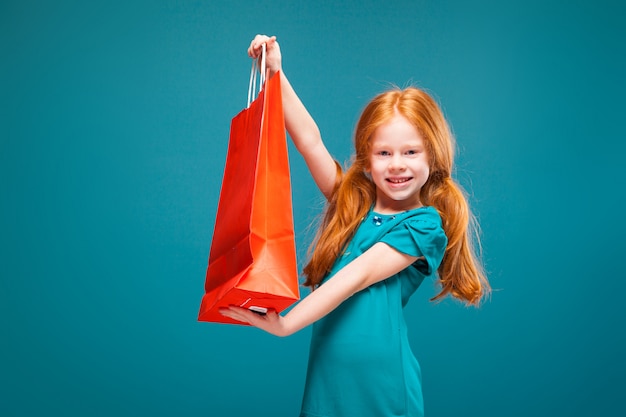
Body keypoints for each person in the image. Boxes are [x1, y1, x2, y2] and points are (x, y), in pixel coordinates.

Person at [220, 34, 490, 417]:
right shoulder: (351, 207)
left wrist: (287, 325)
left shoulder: (425, 226)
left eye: (411, 152)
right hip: (328, 376)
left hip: (380, 384)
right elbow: (309, 141)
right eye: (384, 153)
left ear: (433, 157)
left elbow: (358, 275)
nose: (397, 164)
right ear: (366, 160)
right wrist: (276, 74)